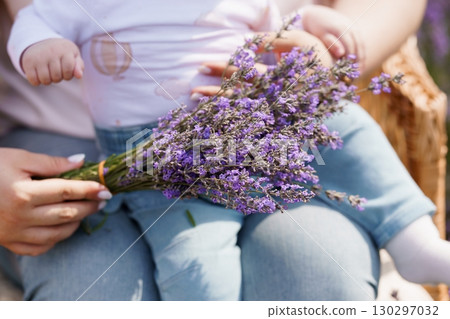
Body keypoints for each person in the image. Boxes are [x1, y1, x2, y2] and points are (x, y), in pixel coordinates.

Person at [0, 0, 426, 301]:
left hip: (264, 136)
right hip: (68, 142)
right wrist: (37, 45)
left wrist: (324, 47)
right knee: (99, 286)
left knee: (320, 273)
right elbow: (37, 21)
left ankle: (413, 237)